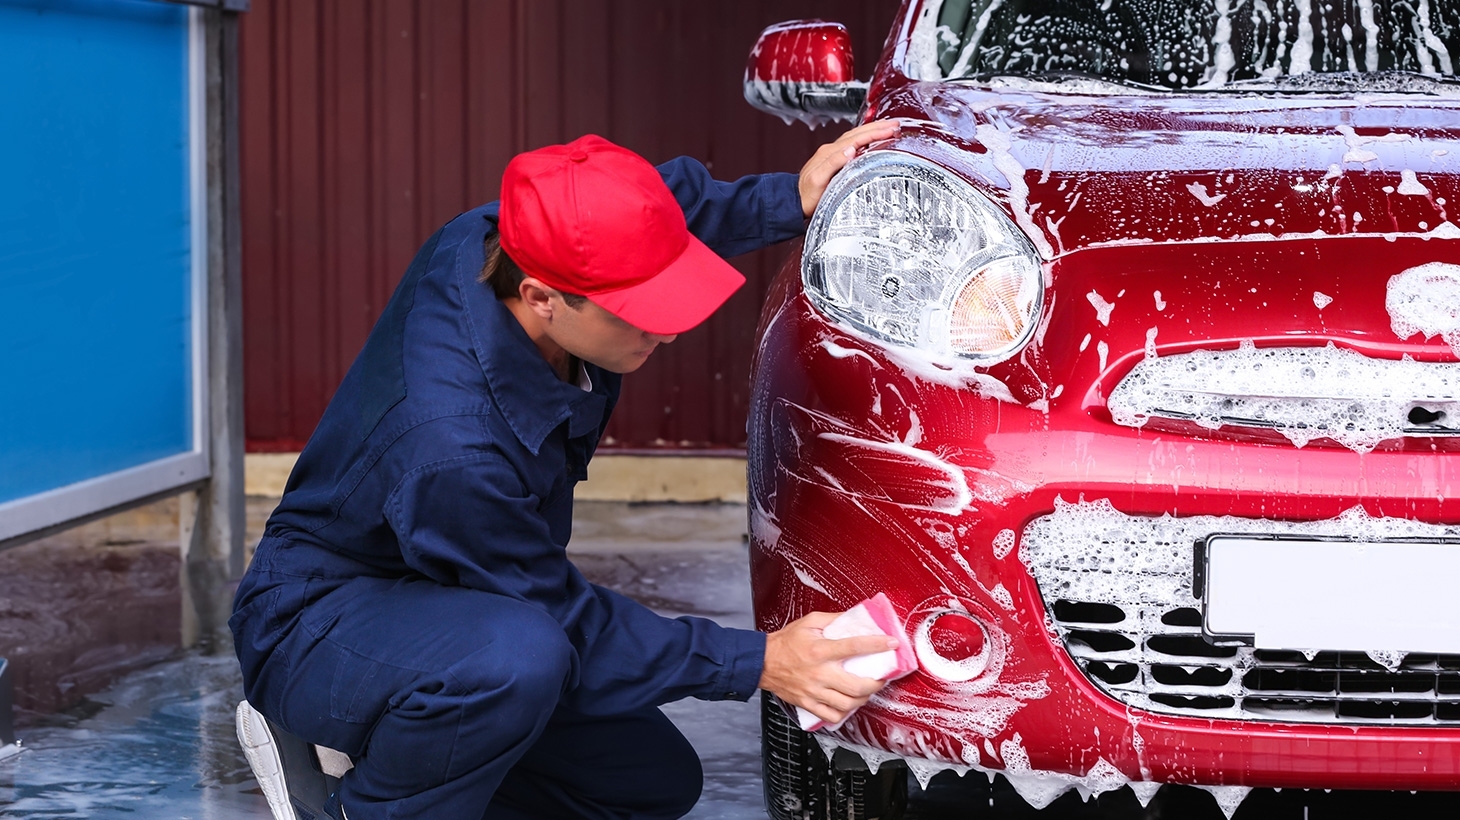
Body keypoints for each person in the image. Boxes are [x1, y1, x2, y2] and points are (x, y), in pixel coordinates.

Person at [231, 120, 900, 820]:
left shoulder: (498, 240)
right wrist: (759, 661)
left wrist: (791, 196)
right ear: (542, 297)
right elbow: (562, 617)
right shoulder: (452, 446)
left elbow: (652, 209)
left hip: (453, 594)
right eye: (638, 315)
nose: (667, 331)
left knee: (646, 780)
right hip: (318, 620)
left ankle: (400, 747)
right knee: (521, 659)